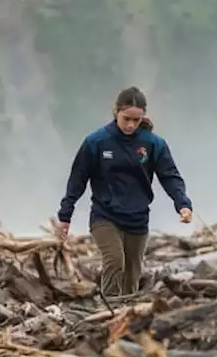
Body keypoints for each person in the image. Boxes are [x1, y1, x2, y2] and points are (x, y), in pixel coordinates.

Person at [56, 86, 193, 298]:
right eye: (126, 118)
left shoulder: (153, 144)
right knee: (115, 262)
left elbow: (169, 176)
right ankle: (109, 309)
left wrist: (182, 204)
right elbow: (77, 179)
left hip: (138, 218)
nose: (130, 125)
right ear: (116, 112)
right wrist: (65, 216)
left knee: (132, 274)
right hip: (105, 215)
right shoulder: (96, 142)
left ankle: (128, 315)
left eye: (136, 120)